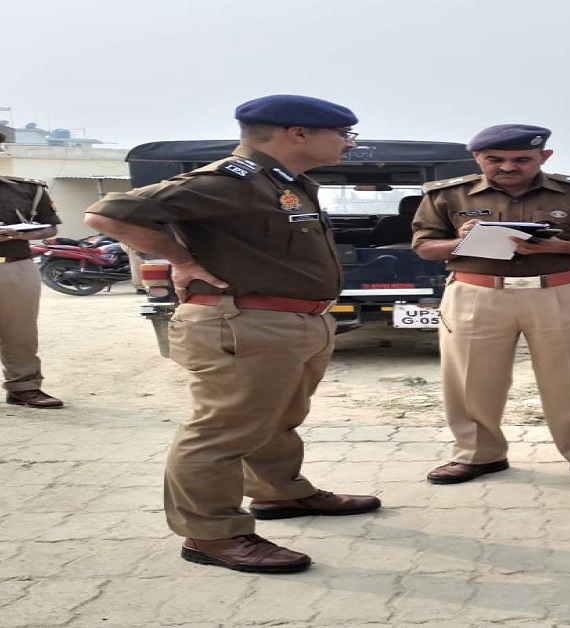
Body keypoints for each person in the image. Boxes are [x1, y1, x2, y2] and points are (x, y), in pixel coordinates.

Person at [83, 95, 380, 574]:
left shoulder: (285, 183)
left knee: (276, 419)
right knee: (222, 431)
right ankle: (210, 534)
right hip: (246, 321)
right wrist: (181, 261)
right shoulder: (229, 180)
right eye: (344, 134)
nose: (349, 143)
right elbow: (107, 214)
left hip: (294, 322)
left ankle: (279, 493)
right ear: (298, 133)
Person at [412, 124, 570, 490]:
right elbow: (424, 246)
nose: (508, 167)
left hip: (561, 292)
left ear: (544, 156)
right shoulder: (448, 194)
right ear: (477, 157)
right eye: (495, 159)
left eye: (521, 160)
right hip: (476, 294)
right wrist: (461, 240)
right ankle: (478, 454)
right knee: (470, 379)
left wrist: (561, 247)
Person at [1, 132, 64, 410]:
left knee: (20, 331)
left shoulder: (26, 189)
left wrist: (23, 234)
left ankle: (23, 387)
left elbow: (49, 227)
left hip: (14, 267)